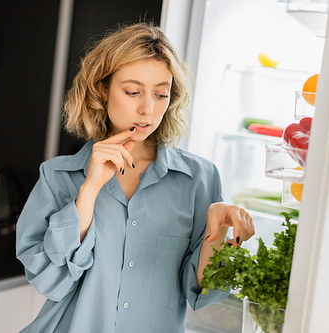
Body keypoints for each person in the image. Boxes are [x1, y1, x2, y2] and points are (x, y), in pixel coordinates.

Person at [16, 22, 254, 333]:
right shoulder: (57, 176)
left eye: (161, 94)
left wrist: (218, 232)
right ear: (103, 89)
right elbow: (49, 281)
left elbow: (202, 292)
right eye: (132, 91)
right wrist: (89, 190)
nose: (148, 109)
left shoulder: (199, 179)